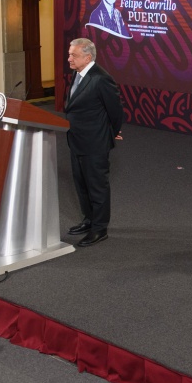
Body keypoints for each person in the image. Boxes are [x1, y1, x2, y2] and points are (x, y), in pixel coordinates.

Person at [65, 38, 124, 247]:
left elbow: (116, 111)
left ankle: (100, 229)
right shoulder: (78, 73)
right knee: (81, 185)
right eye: (70, 54)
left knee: (97, 186)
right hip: (76, 140)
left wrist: (111, 132)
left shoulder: (101, 79)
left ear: (87, 57)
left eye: (74, 55)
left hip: (95, 143)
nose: (69, 58)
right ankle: (89, 220)